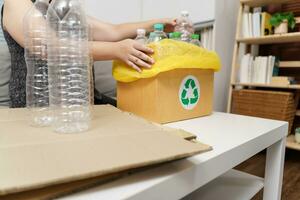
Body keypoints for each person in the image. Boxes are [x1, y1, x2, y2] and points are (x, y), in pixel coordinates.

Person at [2, 0, 176, 108]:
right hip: (40, 105)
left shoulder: (62, 6)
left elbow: (112, 31)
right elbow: (49, 46)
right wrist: (116, 50)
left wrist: (156, 24)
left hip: (81, 101)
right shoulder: (16, 2)